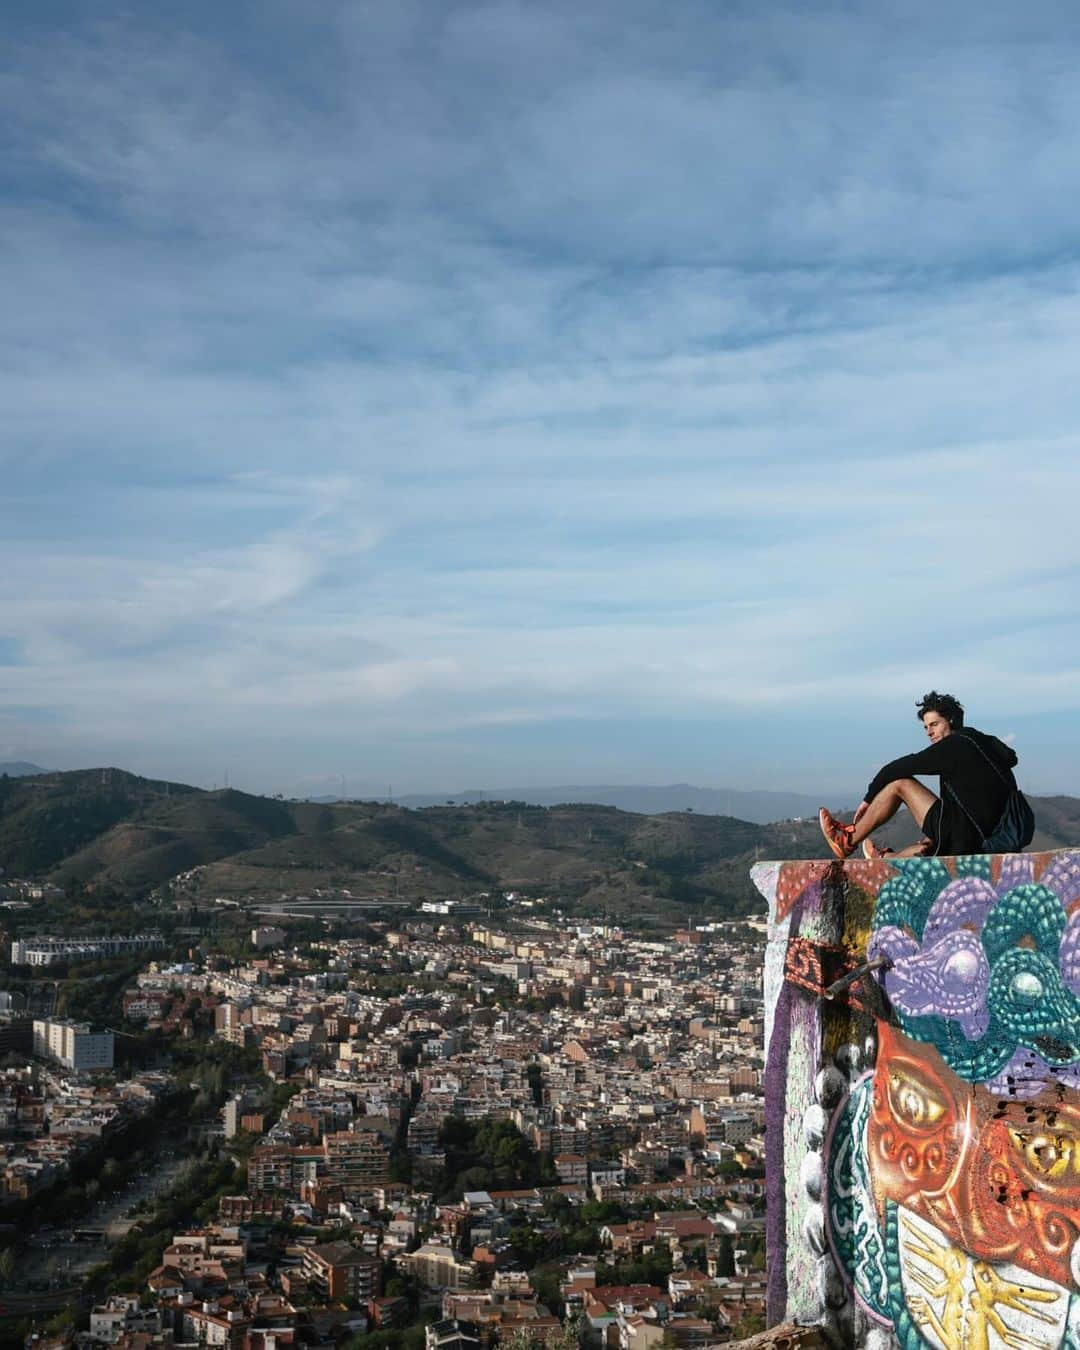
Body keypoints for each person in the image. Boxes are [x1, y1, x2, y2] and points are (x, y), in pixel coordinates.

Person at [818, 691, 1021, 860]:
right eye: (926, 727)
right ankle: (886, 859)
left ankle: (847, 840)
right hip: (986, 838)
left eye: (934, 724)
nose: (929, 732)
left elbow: (898, 768)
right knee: (927, 846)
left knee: (900, 784)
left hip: (968, 837)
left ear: (951, 720)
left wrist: (868, 798)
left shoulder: (953, 746)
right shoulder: (983, 742)